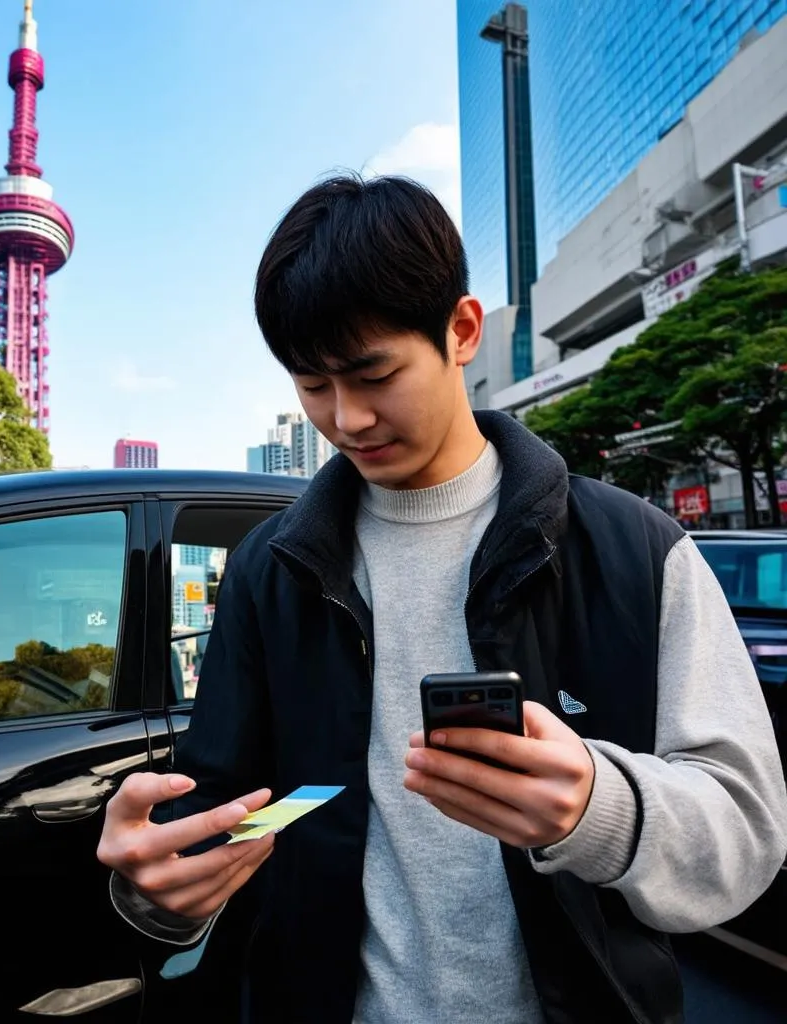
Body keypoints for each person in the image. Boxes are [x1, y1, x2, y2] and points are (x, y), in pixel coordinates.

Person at [97, 174, 787, 1023]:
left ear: (461, 331)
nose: (345, 419)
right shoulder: (269, 572)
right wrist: (164, 891)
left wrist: (597, 807)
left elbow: (748, 836)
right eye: (312, 385)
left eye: (372, 373)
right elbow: (232, 821)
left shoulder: (637, 551)